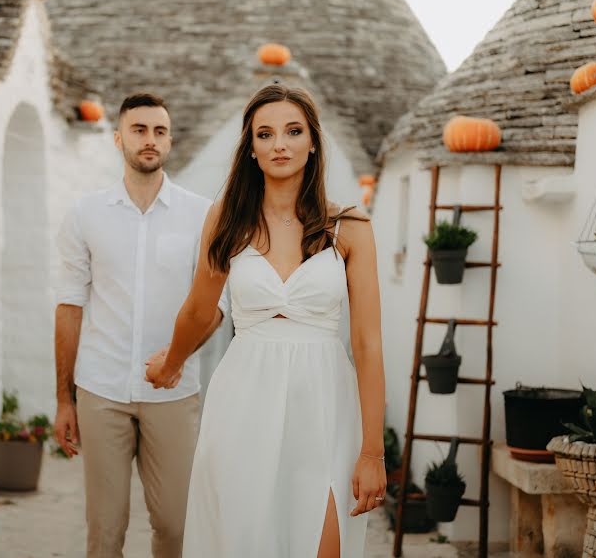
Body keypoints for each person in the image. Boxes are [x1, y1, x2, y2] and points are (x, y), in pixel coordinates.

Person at [145, 84, 386, 558]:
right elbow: (198, 308)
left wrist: (372, 452)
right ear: (251, 149)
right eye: (266, 134)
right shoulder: (226, 221)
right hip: (244, 399)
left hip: (325, 405)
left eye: (293, 131)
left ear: (313, 142)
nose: (280, 144)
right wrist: (172, 362)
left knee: (324, 543)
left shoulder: (351, 228)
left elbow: (368, 343)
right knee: (244, 541)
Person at [52, 92, 227, 558]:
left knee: (176, 527)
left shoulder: (200, 215)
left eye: (159, 131)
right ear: (118, 138)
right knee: (104, 533)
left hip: (173, 392)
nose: (150, 140)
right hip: (101, 390)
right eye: (139, 129)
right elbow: (70, 306)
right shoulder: (85, 214)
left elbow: (215, 305)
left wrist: (175, 359)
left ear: (170, 141)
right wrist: (63, 399)